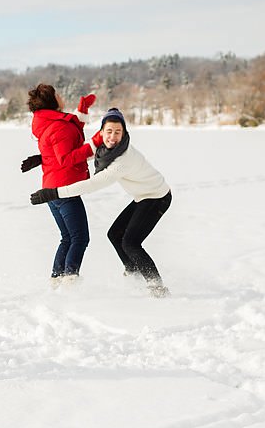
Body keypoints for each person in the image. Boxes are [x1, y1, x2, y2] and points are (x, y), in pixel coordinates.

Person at [30, 108, 172, 297]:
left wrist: (54, 193)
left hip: (157, 197)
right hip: (143, 196)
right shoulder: (106, 149)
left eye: (118, 132)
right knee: (114, 234)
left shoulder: (123, 159)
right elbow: (77, 155)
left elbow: (92, 185)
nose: (113, 137)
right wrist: (44, 159)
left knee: (131, 243)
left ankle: (157, 287)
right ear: (101, 132)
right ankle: (133, 272)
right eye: (109, 131)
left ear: (124, 134)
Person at [21, 86, 100, 279]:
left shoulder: (50, 122)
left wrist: (82, 110)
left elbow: (71, 133)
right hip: (64, 189)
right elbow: (65, 157)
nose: (61, 96)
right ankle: (70, 283)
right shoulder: (59, 126)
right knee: (80, 238)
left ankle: (57, 280)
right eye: (58, 94)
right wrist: (95, 144)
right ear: (52, 100)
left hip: (52, 187)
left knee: (68, 238)